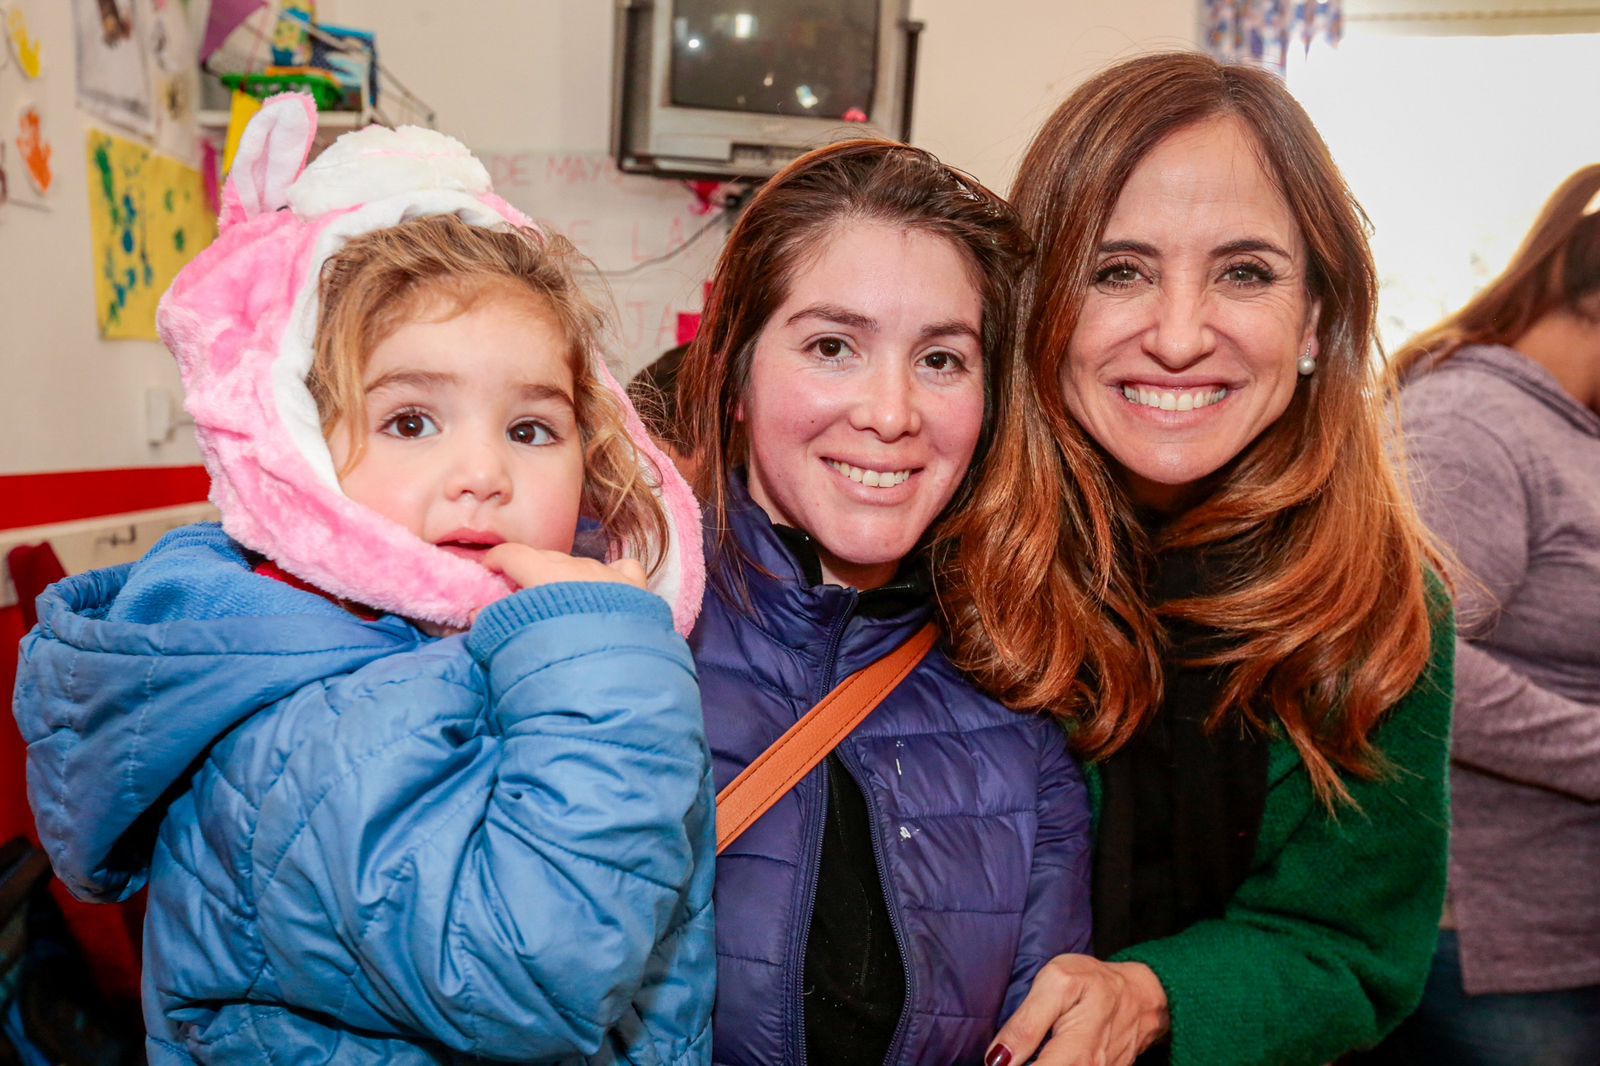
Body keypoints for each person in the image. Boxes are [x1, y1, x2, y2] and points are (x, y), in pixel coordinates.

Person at [12, 96, 714, 1064]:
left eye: (531, 428)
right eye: (412, 421)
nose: (485, 473)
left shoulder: (445, 647)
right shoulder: (304, 727)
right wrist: (608, 663)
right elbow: (535, 971)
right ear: (302, 451)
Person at [942, 52, 1457, 1066]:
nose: (1178, 335)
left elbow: (1352, 950)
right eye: (1117, 270)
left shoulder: (1380, 604)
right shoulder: (935, 551)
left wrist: (1154, 992)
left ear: (1314, 319)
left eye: (1245, 273)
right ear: (1038, 305)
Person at [672, 139, 1095, 1065]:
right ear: (736, 372)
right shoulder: (608, 623)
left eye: (942, 360)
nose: (892, 411)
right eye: (833, 346)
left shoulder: (1018, 709)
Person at [1364, 164, 1600, 1063]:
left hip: (1561, 930)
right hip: (1491, 941)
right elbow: (1419, 657)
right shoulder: (1470, 422)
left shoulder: (1567, 426)